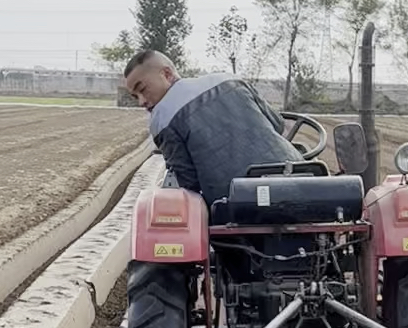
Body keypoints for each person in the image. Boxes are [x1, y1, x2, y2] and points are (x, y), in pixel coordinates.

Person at [124, 48, 302, 209]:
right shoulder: (230, 80)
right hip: (299, 182)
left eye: (143, 90)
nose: (142, 102)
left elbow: (186, 180)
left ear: (167, 74)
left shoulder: (163, 118)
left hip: (235, 204)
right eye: (135, 96)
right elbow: (277, 124)